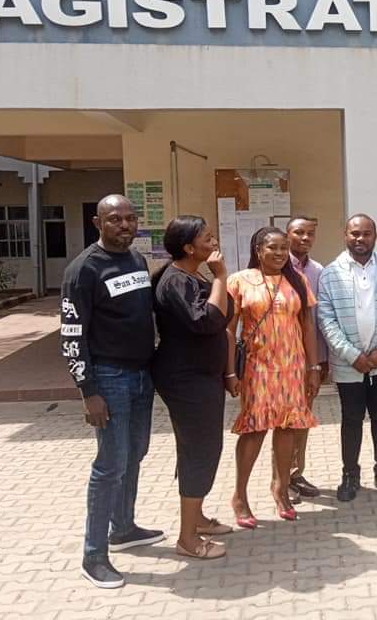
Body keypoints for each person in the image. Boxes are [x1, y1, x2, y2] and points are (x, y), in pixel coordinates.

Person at [60, 194, 163, 589]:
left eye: (130, 218)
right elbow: (72, 336)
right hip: (109, 378)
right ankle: (94, 555)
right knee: (110, 465)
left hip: (141, 376)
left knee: (135, 453)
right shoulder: (83, 270)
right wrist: (88, 391)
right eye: (115, 219)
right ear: (97, 223)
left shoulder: (136, 260)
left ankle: (123, 528)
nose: (124, 225)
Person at [228, 227, 321, 525]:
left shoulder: (298, 280)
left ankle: (281, 488)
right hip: (258, 367)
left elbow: (307, 325)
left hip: (292, 366)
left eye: (283, 248)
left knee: (288, 427)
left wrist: (313, 367)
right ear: (258, 250)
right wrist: (229, 372)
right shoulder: (239, 280)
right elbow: (229, 330)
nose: (280, 253)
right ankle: (240, 496)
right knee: (254, 430)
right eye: (273, 247)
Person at [152, 216, 232, 559]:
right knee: (200, 450)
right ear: (188, 247)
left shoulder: (191, 275)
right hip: (187, 379)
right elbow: (208, 320)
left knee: (201, 448)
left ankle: (197, 518)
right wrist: (222, 277)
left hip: (202, 376)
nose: (214, 242)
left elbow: (222, 316)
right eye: (207, 238)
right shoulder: (175, 281)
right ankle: (187, 539)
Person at [318, 214, 377, 501]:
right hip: (349, 364)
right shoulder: (331, 273)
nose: (360, 238)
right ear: (345, 235)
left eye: (366, 233)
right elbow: (326, 319)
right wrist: (352, 355)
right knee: (351, 419)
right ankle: (350, 475)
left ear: (375, 236)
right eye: (355, 233)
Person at [285, 216, 329, 500]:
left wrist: (321, 360)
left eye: (310, 233)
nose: (305, 238)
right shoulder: (277, 266)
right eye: (298, 232)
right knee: (285, 421)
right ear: (287, 234)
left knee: (303, 417)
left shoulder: (318, 271)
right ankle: (282, 477)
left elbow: (320, 317)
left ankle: (296, 473)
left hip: (312, 358)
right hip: (283, 358)